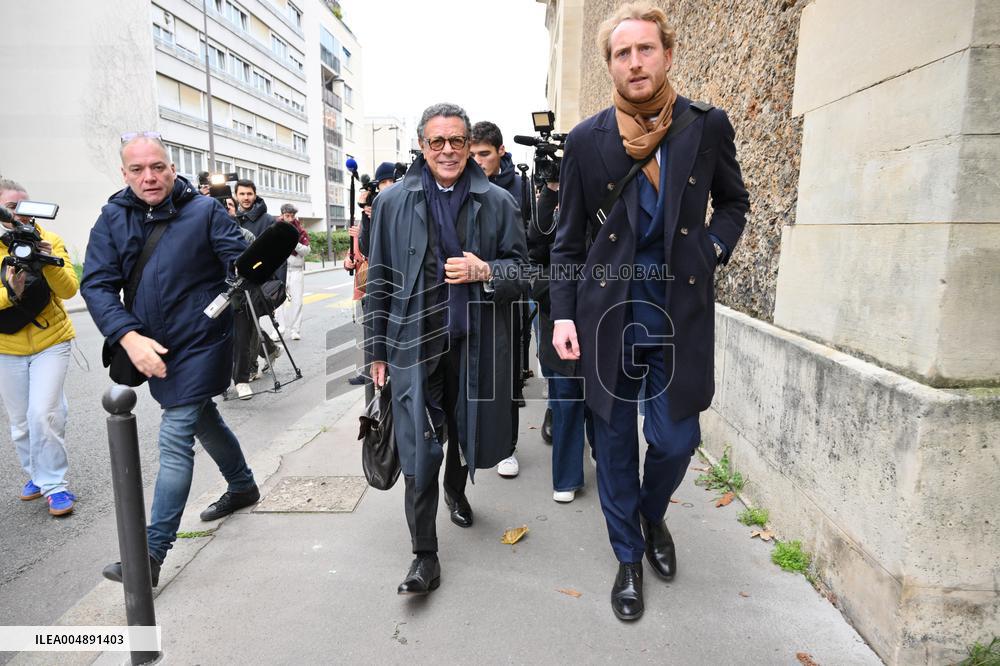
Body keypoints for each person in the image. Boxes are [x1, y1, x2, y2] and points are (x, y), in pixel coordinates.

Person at [550, 2, 749, 621]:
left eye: (644, 49)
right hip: (607, 313)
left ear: (666, 53)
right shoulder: (586, 141)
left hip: (677, 312)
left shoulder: (704, 126)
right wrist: (561, 316)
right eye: (620, 53)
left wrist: (713, 248)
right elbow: (566, 241)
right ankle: (628, 556)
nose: (633, 62)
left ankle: (652, 513)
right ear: (610, 64)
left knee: (675, 439)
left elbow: (734, 203)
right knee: (612, 442)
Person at [82, 134, 261, 586]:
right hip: (151, 345)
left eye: (157, 167)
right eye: (138, 169)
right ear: (124, 174)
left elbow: (239, 262)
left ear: (172, 165)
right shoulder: (111, 217)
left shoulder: (203, 211)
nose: (149, 177)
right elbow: (98, 284)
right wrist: (127, 335)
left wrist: (257, 259)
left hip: (202, 340)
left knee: (176, 433)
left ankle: (150, 554)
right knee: (203, 417)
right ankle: (242, 486)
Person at [367, 102, 527, 596]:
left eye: (456, 141)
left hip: (474, 343)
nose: (448, 150)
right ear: (421, 146)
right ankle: (424, 556)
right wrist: (375, 349)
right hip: (414, 346)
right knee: (419, 445)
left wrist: (487, 271)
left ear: (468, 145)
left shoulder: (497, 201)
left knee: (461, 430)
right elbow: (379, 280)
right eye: (437, 142)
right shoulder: (393, 203)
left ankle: (456, 491)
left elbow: (524, 274)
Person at [0, 180, 79, 516]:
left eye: (25, 206)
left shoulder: (50, 240)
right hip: (7, 345)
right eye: (12, 208)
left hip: (52, 340)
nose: (21, 215)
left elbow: (70, 289)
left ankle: (55, 486)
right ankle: (37, 474)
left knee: (43, 413)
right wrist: (11, 292)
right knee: (21, 422)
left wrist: (47, 260)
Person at [470, 121, 529, 480]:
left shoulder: (516, 189)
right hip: (470, 300)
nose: (477, 160)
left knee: (508, 375)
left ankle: (508, 447)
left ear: (500, 152)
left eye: (484, 154)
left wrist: (492, 272)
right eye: (472, 153)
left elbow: (527, 248)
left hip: (508, 295)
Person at [232, 179, 283, 399]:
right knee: (246, 325)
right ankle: (270, 349)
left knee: (248, 325)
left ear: (255, 195)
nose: (245, 198)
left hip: (259, 281)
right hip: (234, 282)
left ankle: (249, 368)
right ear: (235, 195)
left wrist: (276, 286)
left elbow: (277, 255)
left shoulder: (267, 220)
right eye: (241, 194)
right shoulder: (230, 219)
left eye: (249, 194)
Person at [346, 161, 396, 387]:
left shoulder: (401, 205)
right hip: (376, 281)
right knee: (372, 329)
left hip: (399, 282)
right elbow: (368, 247)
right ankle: (371, 372)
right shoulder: (372, 210)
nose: (386, 187)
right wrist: (368, 218)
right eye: (382, 183)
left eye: (390, 181)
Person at [276, 203, 308, 341]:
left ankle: (295, 330)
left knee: (297, 301)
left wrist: (293, 241)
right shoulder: (275, 229)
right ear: (282, 215)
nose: (289, 218)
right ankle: (278, 330)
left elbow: (306, 250)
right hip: (280, 269)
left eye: (292, 216)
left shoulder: (300, 231)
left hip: (296, 270)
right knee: (277, 301)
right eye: (287, 215)